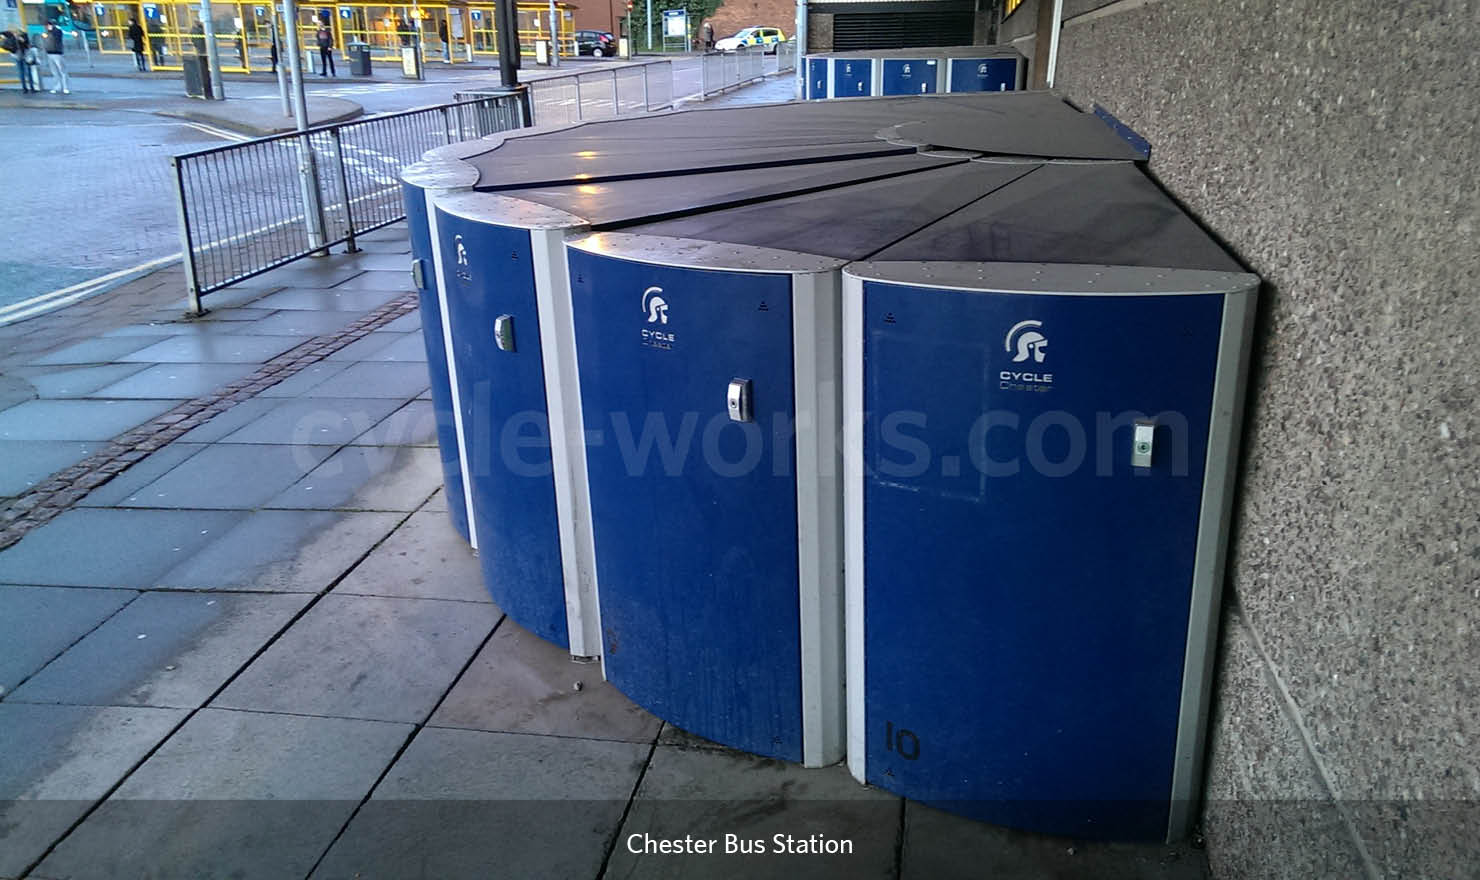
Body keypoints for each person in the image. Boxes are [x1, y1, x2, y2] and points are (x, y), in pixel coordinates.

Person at [41, 20, 68, 94]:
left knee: (62, 71)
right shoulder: (47, 32)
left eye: (47, 25)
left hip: (57, 53)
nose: (46, 27)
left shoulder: (57, 31)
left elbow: (55, 38)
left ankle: (65, 87)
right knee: (54, 72)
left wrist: (48, 33)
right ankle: (57, 87)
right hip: (49, 53)